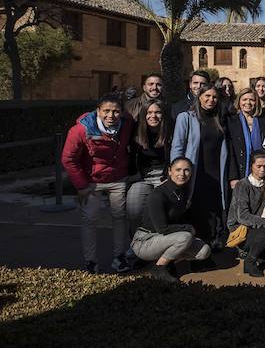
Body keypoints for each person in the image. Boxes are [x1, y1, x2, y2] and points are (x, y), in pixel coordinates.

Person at [61, 94, 135, 274]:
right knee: (90, 219)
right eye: (106, 111)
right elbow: (68, 159)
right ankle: (91, 261)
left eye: (116, 111)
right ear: (98, 111)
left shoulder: (127, 125)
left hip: (118, 179)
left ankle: (119, 257)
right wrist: (81, 185)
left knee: (119, 217)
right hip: (91, 182)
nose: (111, 115)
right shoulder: (80, 131)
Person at [171, 83, 233, 249]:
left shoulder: (219, 119)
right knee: (197, 212)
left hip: (216, 173)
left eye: (214, 97)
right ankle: (196, 250)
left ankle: (210, 244)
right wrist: (177, 173)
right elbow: (177, 146)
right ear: (199, 97)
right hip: (196, 172)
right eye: (207, 96)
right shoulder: (186, 117)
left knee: (214, 210)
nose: (211, 100)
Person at [131, 157, 212, 282]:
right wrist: (188, 229)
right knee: (185, 237)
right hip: (144, 242)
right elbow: (162, 228)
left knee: (204, 251)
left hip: (165, 238)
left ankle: (169, 261)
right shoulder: (158, 194)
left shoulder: (182, 192)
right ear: (169, 171)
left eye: (187, 170)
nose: (182, 174)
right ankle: (159, 268)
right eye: (178, 170)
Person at [226, 149, 265, 277]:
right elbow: (243, 217)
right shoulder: (242, 185)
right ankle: (250, 261)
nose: (262, 169)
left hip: (260, 225)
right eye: (259, 166)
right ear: (251, 166)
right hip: (242, 229)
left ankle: (261, 255)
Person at [127, 99, 171, 235]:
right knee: (134, 210)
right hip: (142, 177)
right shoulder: (136, 132)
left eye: (158, 112)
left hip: (164, 176)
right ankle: (136, 242)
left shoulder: (170, 131)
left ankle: (159, 242)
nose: (153, 116)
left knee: (161, 211)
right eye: (149, 112)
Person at [227, 88, 265, 183]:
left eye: (252, 100)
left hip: (261, 172)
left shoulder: (263, 121)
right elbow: (230, 150)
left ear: (256, 102)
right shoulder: (231, 121)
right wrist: (233, 177)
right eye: (244, 99)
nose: (248, 102)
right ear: (239, 101)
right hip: (239, 172)